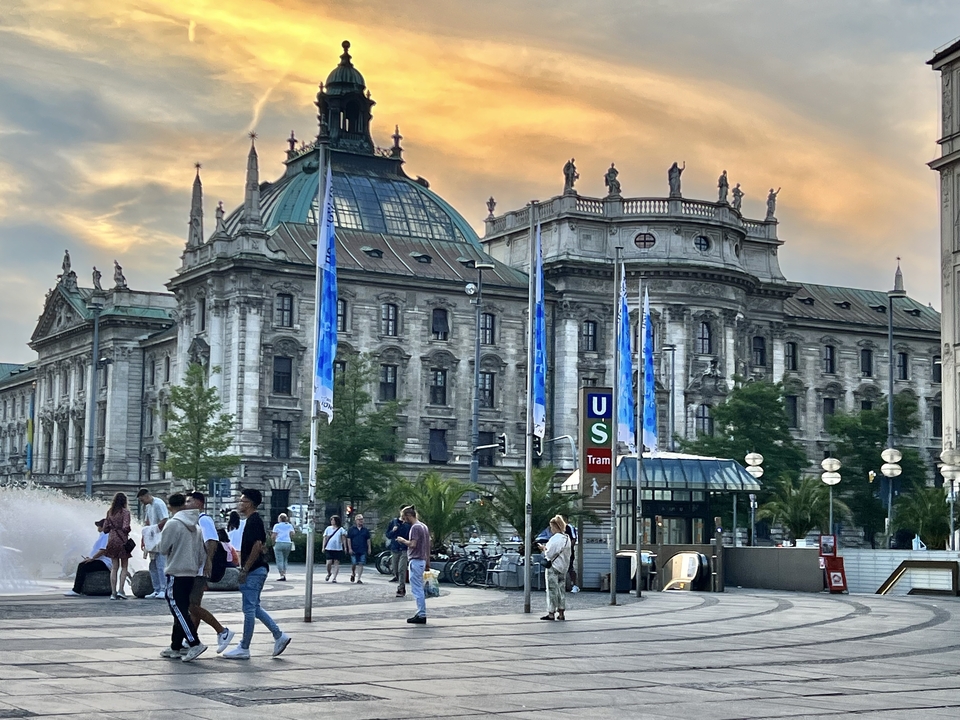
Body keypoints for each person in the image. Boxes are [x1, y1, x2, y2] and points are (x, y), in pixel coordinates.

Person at [222, 489, 291, 660]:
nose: (240, 504)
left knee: (249, 610)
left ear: (250, 503)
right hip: (258, 569)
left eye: (242, 501)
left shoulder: (254, 521)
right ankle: (279, 635)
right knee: (254, 607)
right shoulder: (253, 521)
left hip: (254, 571)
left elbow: (257, 546)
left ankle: (244, 647)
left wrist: (245, 569)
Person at [157, 493, 207, 662]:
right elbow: (201, 552)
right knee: (181, 609)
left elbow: (163, 548)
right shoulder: (196, 525)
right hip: (191, 572)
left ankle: (194, 642)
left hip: (176, 571)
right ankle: (175, 646)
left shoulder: (173, 523)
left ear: (170, 506)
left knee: (177, 609)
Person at [185, 492, 235, 654]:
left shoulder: (204, 519)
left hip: (200, 569)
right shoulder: (194, 520)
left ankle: (222, 631)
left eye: (189, 501)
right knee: (194, 605)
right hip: (195, 568)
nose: (186, 504)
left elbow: (212, 541)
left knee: (191, 605)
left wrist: (208, 562)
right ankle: (190, 638)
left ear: (199, 503)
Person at [396, 505, 430, 624]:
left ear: (409, 515)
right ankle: (420, 612)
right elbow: (427, 545)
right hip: (422, 559)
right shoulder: (424, 526)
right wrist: (427, 561)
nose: (404, 520)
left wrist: (402, 540)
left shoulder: (415, 528)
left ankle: (421, 613)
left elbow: (413, 544)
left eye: (404, 517)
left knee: (417, 588)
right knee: (419, 587)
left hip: (415, 560)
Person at [537, 515, 572, 621]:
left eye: (551, 527)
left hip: (553, 567)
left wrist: (543, 549)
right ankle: (561, 612)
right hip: (563, 567)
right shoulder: (567, 538)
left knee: (552, 590)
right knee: (561, 590)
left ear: (555, 526)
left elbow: (549, 553)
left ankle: (551, 612)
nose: (551, 529)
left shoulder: (555, 538)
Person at [64, 519, 111, 597]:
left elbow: (102, 550)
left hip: (105, 562)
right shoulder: (103, 536)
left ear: (103, 527)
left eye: (99, 526)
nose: (97, 528)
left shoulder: (106, 536)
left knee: (82, 566)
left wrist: (92, 559)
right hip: (101, 560)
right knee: (84, 564)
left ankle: (76, 590)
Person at [137, 488, 169, 599]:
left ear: (147, 496)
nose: (142, 503)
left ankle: (163, 589)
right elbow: (147, 522)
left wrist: (154, 530)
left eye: (142, 500)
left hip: (160, 538)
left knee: (161, 564)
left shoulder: (158, 504)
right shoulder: (148, 506)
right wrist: (145, 537)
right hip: (152, 538)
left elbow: (165, 519)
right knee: (153, 565)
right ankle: (157, 589)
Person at [101, 492, 132, 600]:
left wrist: (112, 528)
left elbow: (105, 529)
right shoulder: (125, 512)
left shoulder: (110, 512)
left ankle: (113, 593)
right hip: (122, 541)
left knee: (114, 568)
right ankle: (121, 590)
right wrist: (128, 530)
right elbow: (125, 527)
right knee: (124, 567)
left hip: (112, 540)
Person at [385, 509, 409, 597]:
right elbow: (388, 535)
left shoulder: (409, 524)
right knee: (395, 569)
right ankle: (400, 582)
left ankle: (401, 588)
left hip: (404, 549)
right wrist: (393, 531)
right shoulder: (394, 522)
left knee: (401, 569)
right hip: (395, 549)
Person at [346, 514, 371, 584]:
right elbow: (349, 539)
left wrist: (369, 548)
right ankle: (353, 573)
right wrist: (349, 548)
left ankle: (359, 578)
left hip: (363, 549)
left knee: (361, 563)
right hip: (354, 548)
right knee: (354, 563)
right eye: (359, 519)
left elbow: (368, 539)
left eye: (362, 519)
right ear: (356, 521)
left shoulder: (365, 530)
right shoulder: (351, 529)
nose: (361, 521)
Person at [322, 515, 347, 583]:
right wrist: (323, 547)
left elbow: (344, 539)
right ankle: (329, 573)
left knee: (336, 563)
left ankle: (334, 577)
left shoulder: (341, 529)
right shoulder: (328, 528)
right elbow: (325, 538)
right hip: (329, 548)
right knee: (328, 563)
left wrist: (345, 547)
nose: (332, 521)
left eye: (333, 520)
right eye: (331, 520)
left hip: (338, 548)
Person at [271, 513, 294, 582]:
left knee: (279, 559)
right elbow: (292, 534)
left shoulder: (276, 526)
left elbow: (273, 536)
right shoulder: (289, 525)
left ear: (279, 519)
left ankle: (282, 575)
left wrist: (273, 543)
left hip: (279, 542)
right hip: (288, 543)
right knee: (285, 559)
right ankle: (284, 573)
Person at [563, 518, 579, 593]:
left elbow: (574, 538)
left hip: (568, 551)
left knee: (570, 567)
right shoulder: (557, 528)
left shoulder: (569, 527)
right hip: (559, 551)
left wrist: (568, 548)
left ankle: (574, 585)